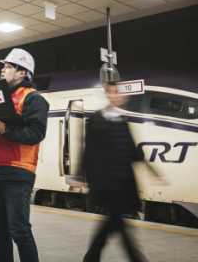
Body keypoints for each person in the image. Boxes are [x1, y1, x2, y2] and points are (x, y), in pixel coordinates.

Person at [0, 48, 49, 262]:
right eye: (4, 66)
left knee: (19, 230)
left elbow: (37, 133)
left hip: (18, 171)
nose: (3, 70)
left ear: (21, 73)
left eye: (8, 67)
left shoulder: (33, 98)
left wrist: (4, 130)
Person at [81, 82, 146, 262]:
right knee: (117, 224)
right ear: (107, 95)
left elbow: (131, 151)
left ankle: (91, 258)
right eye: (112, 92)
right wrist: (84, 176)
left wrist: (140, 155)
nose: (116, 95)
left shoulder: (121, 119)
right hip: (107, 182)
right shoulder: (98, 118)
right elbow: (89, 149)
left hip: (124, 182)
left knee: (115, 224)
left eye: (117, 92)